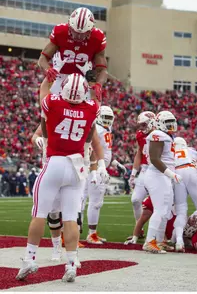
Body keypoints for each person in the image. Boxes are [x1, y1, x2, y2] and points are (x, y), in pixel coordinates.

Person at [16, 73, 108, 283]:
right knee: (70, 218)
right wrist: (95, 90)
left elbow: (43, 93)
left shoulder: (54, 104)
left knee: (39, 214)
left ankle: (30, 258)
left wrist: (48, 77)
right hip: (76, 168)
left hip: (55, 163)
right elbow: (93, 112)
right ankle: (71, 264)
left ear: (64, 89)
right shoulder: (91, 108)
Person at [38, 7, 107, 102]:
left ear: (90, 31)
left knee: (89, 112)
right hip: (60, 76)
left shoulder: (97, 38)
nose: (78, 36)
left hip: (84, 79)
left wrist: (98, 84)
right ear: (70, 26)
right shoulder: (61, 32)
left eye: (82, 34)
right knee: (47, 112)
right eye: (75, 32)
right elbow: (43, 58)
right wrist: (48, 69)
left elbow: (102, 70)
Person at [82, 106, 127, 244]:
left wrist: (115, 163)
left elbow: (105, 152)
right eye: (105, 117)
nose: (107, 121)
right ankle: (90, 234)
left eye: (109, 118)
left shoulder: (106, 129)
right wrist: (99, 169)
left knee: (88, 201)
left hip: (96, 168)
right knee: (92, 202)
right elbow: (93, 150)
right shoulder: (98, 129)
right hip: (93, 169)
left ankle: (90, 233)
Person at [143, 111, 182, 253]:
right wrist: (171, 174)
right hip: (157, 175)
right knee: (160, 209)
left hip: (163, 175)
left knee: (166, 210)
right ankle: (149, 241)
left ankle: (159, 241)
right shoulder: (157, 135)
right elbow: (155, 159)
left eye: (172, 122)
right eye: (168, 123)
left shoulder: (167, 136)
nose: (171, 126)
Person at [128, 111, 155, 243]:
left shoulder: (159, 134)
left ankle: (162, 234)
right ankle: (140, 230)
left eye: (144, 124)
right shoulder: (140, 135)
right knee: (135, 200)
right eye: (140, 125)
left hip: (157, 171)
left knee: (160, 203)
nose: (141, 128)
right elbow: (139, 152)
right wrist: (133, 173)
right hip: (145, 170)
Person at [173, 137, 197, 252]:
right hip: (191, 170)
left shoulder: (171, 152)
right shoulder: (191, 150)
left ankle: (179, 241)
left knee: (181, 211)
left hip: (177, 174)